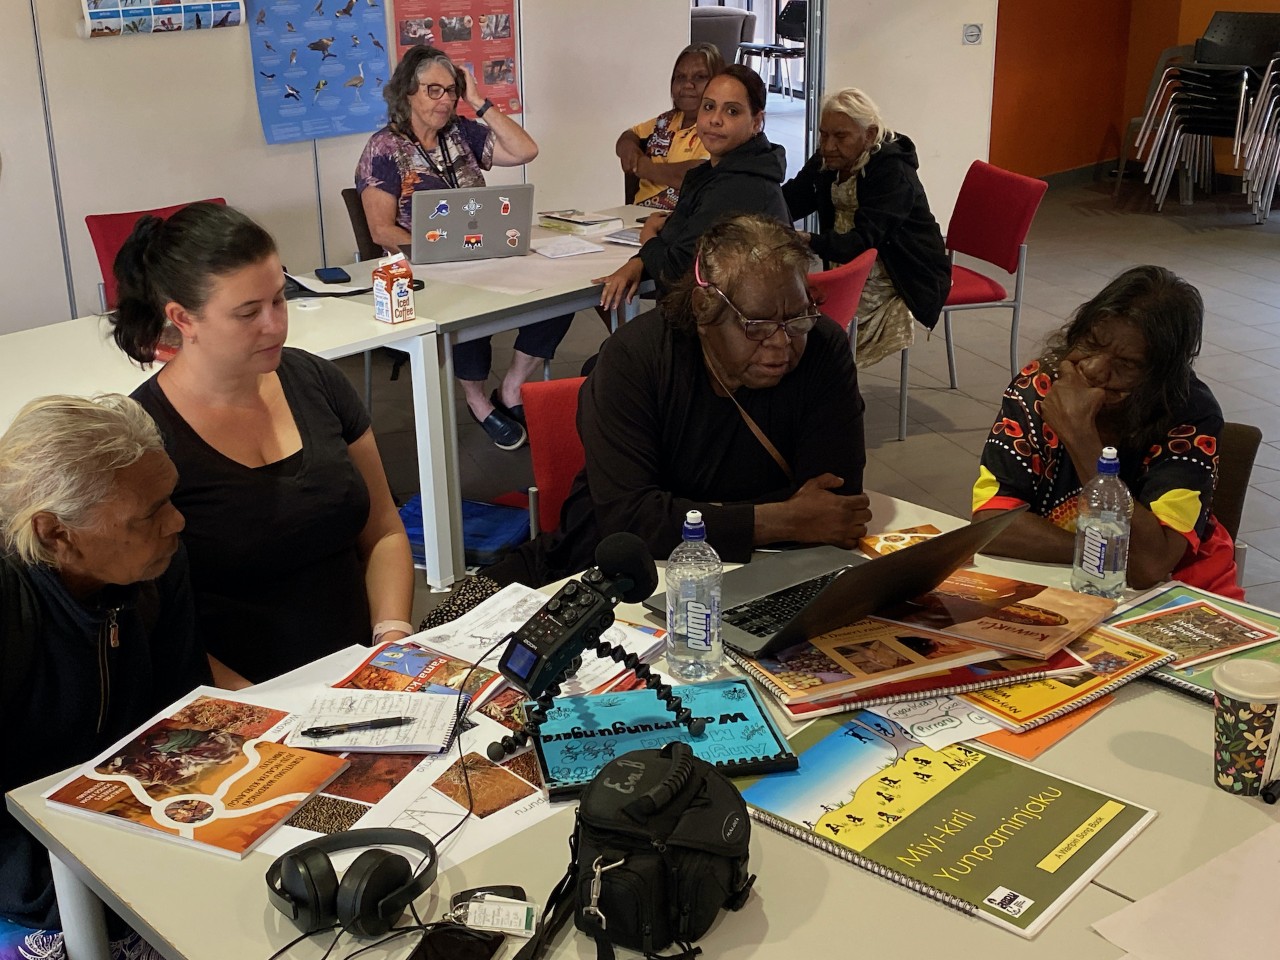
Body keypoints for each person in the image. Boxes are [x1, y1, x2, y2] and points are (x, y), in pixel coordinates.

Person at [108, 202, 415, 687]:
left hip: (360, 672)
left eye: (279, 300)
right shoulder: (146, 439)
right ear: (183, 319)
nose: (274, 324)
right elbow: (159, 628)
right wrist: (267, 710)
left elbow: (383, 530)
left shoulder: (315, 379)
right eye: (248, 312)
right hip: (243, 699)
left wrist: (392, 634)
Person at [488, 214, 871, 587]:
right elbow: (628, 520)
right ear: (705, 310)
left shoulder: (822, 347)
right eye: (757, 325)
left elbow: (835, 504)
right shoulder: (635, 356)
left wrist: (676, 515)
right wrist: (780, 520)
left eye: (797, 319)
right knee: (446, 628)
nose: (781, 343)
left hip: (771, 571)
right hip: (613, 574)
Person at [0, 395, 209, 959]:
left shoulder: (155, 566)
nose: (177, 522)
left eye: (169, 498)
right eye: (150, 514)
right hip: (28, 868)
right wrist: (72, 889)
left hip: (125, 820)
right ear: (54, 534)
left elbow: (182, 715)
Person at [972, 265, 1243, 598]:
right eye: (1091, 343)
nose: (1094, 370)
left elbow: (1149, 566)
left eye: (1126, 364)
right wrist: (1104, 552)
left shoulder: (1189, 414)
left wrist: (1081, 438)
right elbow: (992, 525)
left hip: (1180, 589)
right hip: (1070, 580)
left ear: (1159, 379)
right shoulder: (1040, 388)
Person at [356, 45, 567, 450]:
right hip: (425, 266)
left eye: (451, 90)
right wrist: (442, 245)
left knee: (556, 293)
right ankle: (476, 401)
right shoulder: (384, 148)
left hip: (480, 251)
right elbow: (382, 230)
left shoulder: (462, 133)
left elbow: (526, 151)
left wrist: (479, 101)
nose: (445, 100)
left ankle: (511, 387)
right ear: (407, 94)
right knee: (467, 311)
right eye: (433, 90)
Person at [597, 65, 790, 311]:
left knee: (615, 348)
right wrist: (639, 260)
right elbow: (680, 238)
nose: (715, 119)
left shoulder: (738, 186)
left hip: (722, 326)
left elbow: (677, 271)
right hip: (702, 313)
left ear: (756, 122)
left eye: (732, 111)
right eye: (708, 107)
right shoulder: (713, 173)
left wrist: (647, 240)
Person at [781, 87, 950, 368]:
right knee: (790, 314)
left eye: (840, 136)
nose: (828, 145)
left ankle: (829, 392)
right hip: (849, 260)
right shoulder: (829, 158)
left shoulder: (892, 172)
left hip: (898, 272)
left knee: (817, 337)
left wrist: (809, 240)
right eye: (824, 135)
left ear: (869, 135)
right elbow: (795, 198)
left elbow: (862, 242)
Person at [615, 42, 724, 210]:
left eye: (699, 77)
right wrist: (629, 148)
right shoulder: (666, 121)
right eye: (680, 77)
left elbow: (696, 175)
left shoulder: (716, 126)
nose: (688, 85)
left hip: (682, 220)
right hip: (637, 216)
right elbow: (630, 134)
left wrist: (645, 168)